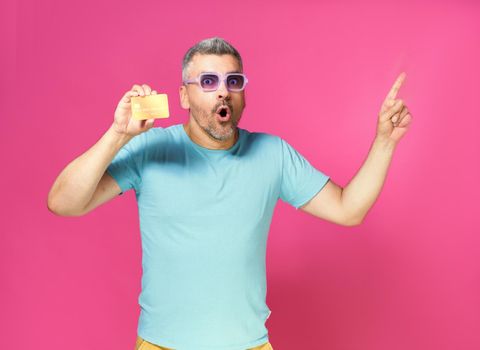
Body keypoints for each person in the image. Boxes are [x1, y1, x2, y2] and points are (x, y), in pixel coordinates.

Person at [47, 37, 412, 350]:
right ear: (184, 96)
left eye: (232, 80)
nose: (223, 90)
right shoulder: (151, 148)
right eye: (208, 81)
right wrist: (118, 134)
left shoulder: (273, 154)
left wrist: (384, 142)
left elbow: (349, 210)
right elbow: (63, 203)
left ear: (242, 94)